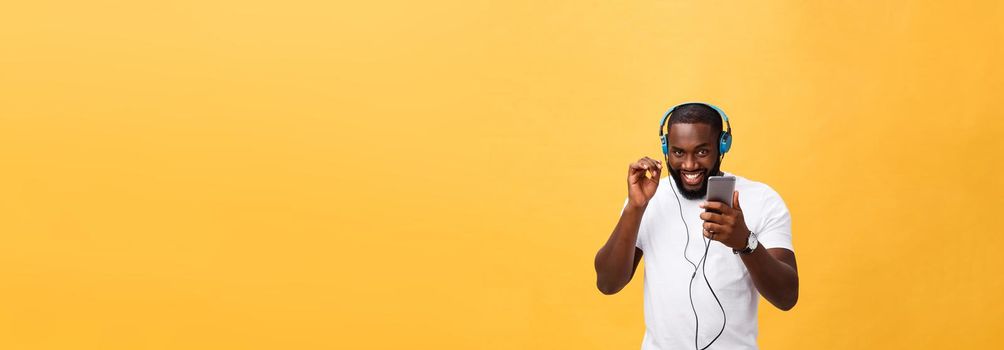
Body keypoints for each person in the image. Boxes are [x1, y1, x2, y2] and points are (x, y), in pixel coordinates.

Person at [593, 103, 799, 349]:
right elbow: (608, 283)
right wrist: (635, 208)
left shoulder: (762, 200)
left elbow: (787, 296)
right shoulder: (649, 199)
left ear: (722, 146)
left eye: (702, 152)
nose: (689, 165)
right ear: (666, 148)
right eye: (678, 153)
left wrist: (745, 243)